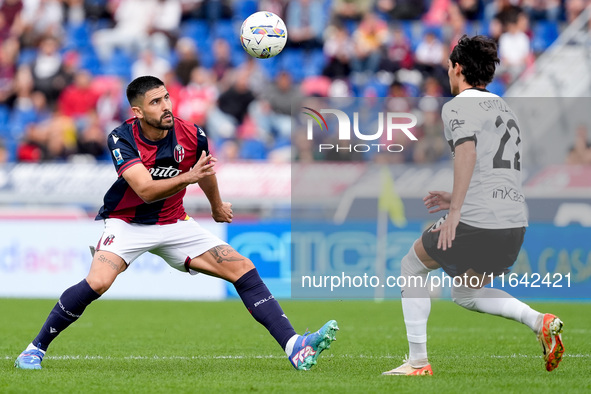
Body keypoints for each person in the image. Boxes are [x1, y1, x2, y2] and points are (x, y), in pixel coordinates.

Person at [14, 75, 338, 371]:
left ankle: (295, 346)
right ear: (138, 111)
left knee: (243, 269)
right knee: (98, 282)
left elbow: (205, 171)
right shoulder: (121, 138)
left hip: (174, 223)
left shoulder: (192, 134)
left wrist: (215, 206)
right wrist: (190, 176)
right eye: (156, 102)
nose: (166, 106)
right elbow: (144, 189)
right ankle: (34, 349)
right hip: (126, 224)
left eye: (167, 97)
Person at [382, 35, 564, 376]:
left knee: (412, 265)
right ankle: (539, 321)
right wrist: (456, 198)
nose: (448, 74)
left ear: (458, 68)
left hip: (481, 221)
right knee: (465, 291)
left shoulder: (457, 105)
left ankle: (417, 362)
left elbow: (467, 152)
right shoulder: (505, 108)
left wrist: (455, 212)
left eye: (449, 67)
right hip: (514, 222)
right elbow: (498, 170)